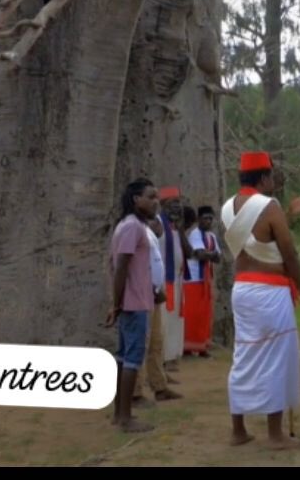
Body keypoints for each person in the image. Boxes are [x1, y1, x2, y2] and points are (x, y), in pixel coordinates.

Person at [220, 151, 300, 449]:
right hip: (270, 293)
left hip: (242, 290)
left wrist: (288, 214)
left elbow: (256, 237)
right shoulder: (269, 206)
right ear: (263, 177)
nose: (274, 180)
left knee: (244, 355)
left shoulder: (228, 208)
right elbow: (288, 252)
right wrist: (298, 284)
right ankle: (275, 435)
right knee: (276, 358)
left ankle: (238, 430)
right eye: (272, 175)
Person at [106, 178, 160, 433]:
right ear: (136, 199)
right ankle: (126, 418)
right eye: (151, 197)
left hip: (133, 300)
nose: (155, 202)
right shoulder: (131, 228)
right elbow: (121, 268)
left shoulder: (130, 226)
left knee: (123, 357)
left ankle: (119, 413)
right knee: (132, 359)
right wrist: (116, 305)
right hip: (134, 303)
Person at [133, 216, 183, 404]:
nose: (157, 224)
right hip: (141, 295)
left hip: (154, 294)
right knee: (140, 343)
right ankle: (135, 392)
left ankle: (159, 386)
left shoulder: (149, 234)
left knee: (156, 342)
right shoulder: (133, 229)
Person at [158, 186, 192, 372]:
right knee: (165, 320)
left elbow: (188, 252)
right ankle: (163, 357)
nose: (177, 207)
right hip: (164, 281)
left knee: (176, 320)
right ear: (162, 205)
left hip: (178, 280)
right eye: (173, 203)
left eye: (178, 203)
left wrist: (180, 230)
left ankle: (172, 355)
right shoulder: (157, 225)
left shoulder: (174, 227)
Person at [184, 206, 221, 357]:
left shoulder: (211, 236)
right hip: (193, 279)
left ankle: (202, 345)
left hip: (206, 279)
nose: (208, 221)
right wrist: (209, 254)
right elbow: (200, 255)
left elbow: (218, 258)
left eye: (210, 218)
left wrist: (208, 254)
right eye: (205, 218)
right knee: (192, 314)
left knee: (205, 314)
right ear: (199, 219)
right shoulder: (195, 234)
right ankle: (188, 346)